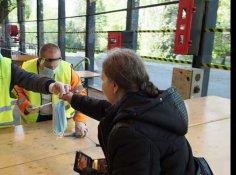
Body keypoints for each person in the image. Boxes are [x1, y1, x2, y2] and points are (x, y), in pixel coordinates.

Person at [61, 48, 196, 174]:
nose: (101, 84)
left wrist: (89, 171)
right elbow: (105, 109)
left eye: (102, 79)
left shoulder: (131, 134)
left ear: (114, 85)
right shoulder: (147, 102)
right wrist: (71, 98)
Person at [14, 43, 88, 137]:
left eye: (55, 67)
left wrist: (80, 120)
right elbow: (17, 91)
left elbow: (80, 96)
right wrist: (25, 106)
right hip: (34, 120)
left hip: (63, 119)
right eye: (49, 68)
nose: (52, 70)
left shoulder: (68, 70)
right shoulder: (25, 69)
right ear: (40, 60)